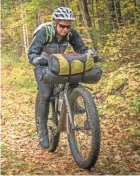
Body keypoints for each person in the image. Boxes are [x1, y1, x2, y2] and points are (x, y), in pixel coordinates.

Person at [28, 7, 99, 149]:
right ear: (55, 23)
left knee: (76, 73)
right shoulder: (45, 32)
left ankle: (72, 98)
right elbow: (32, 52)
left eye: (68, 26)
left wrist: (90, 53)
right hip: (43, 64)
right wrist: (36, 59)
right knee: (46, 95)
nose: (65, 29)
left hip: (60, 63)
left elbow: (81, 48)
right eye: (62, 26)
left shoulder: (71, 33)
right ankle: (42, 129)